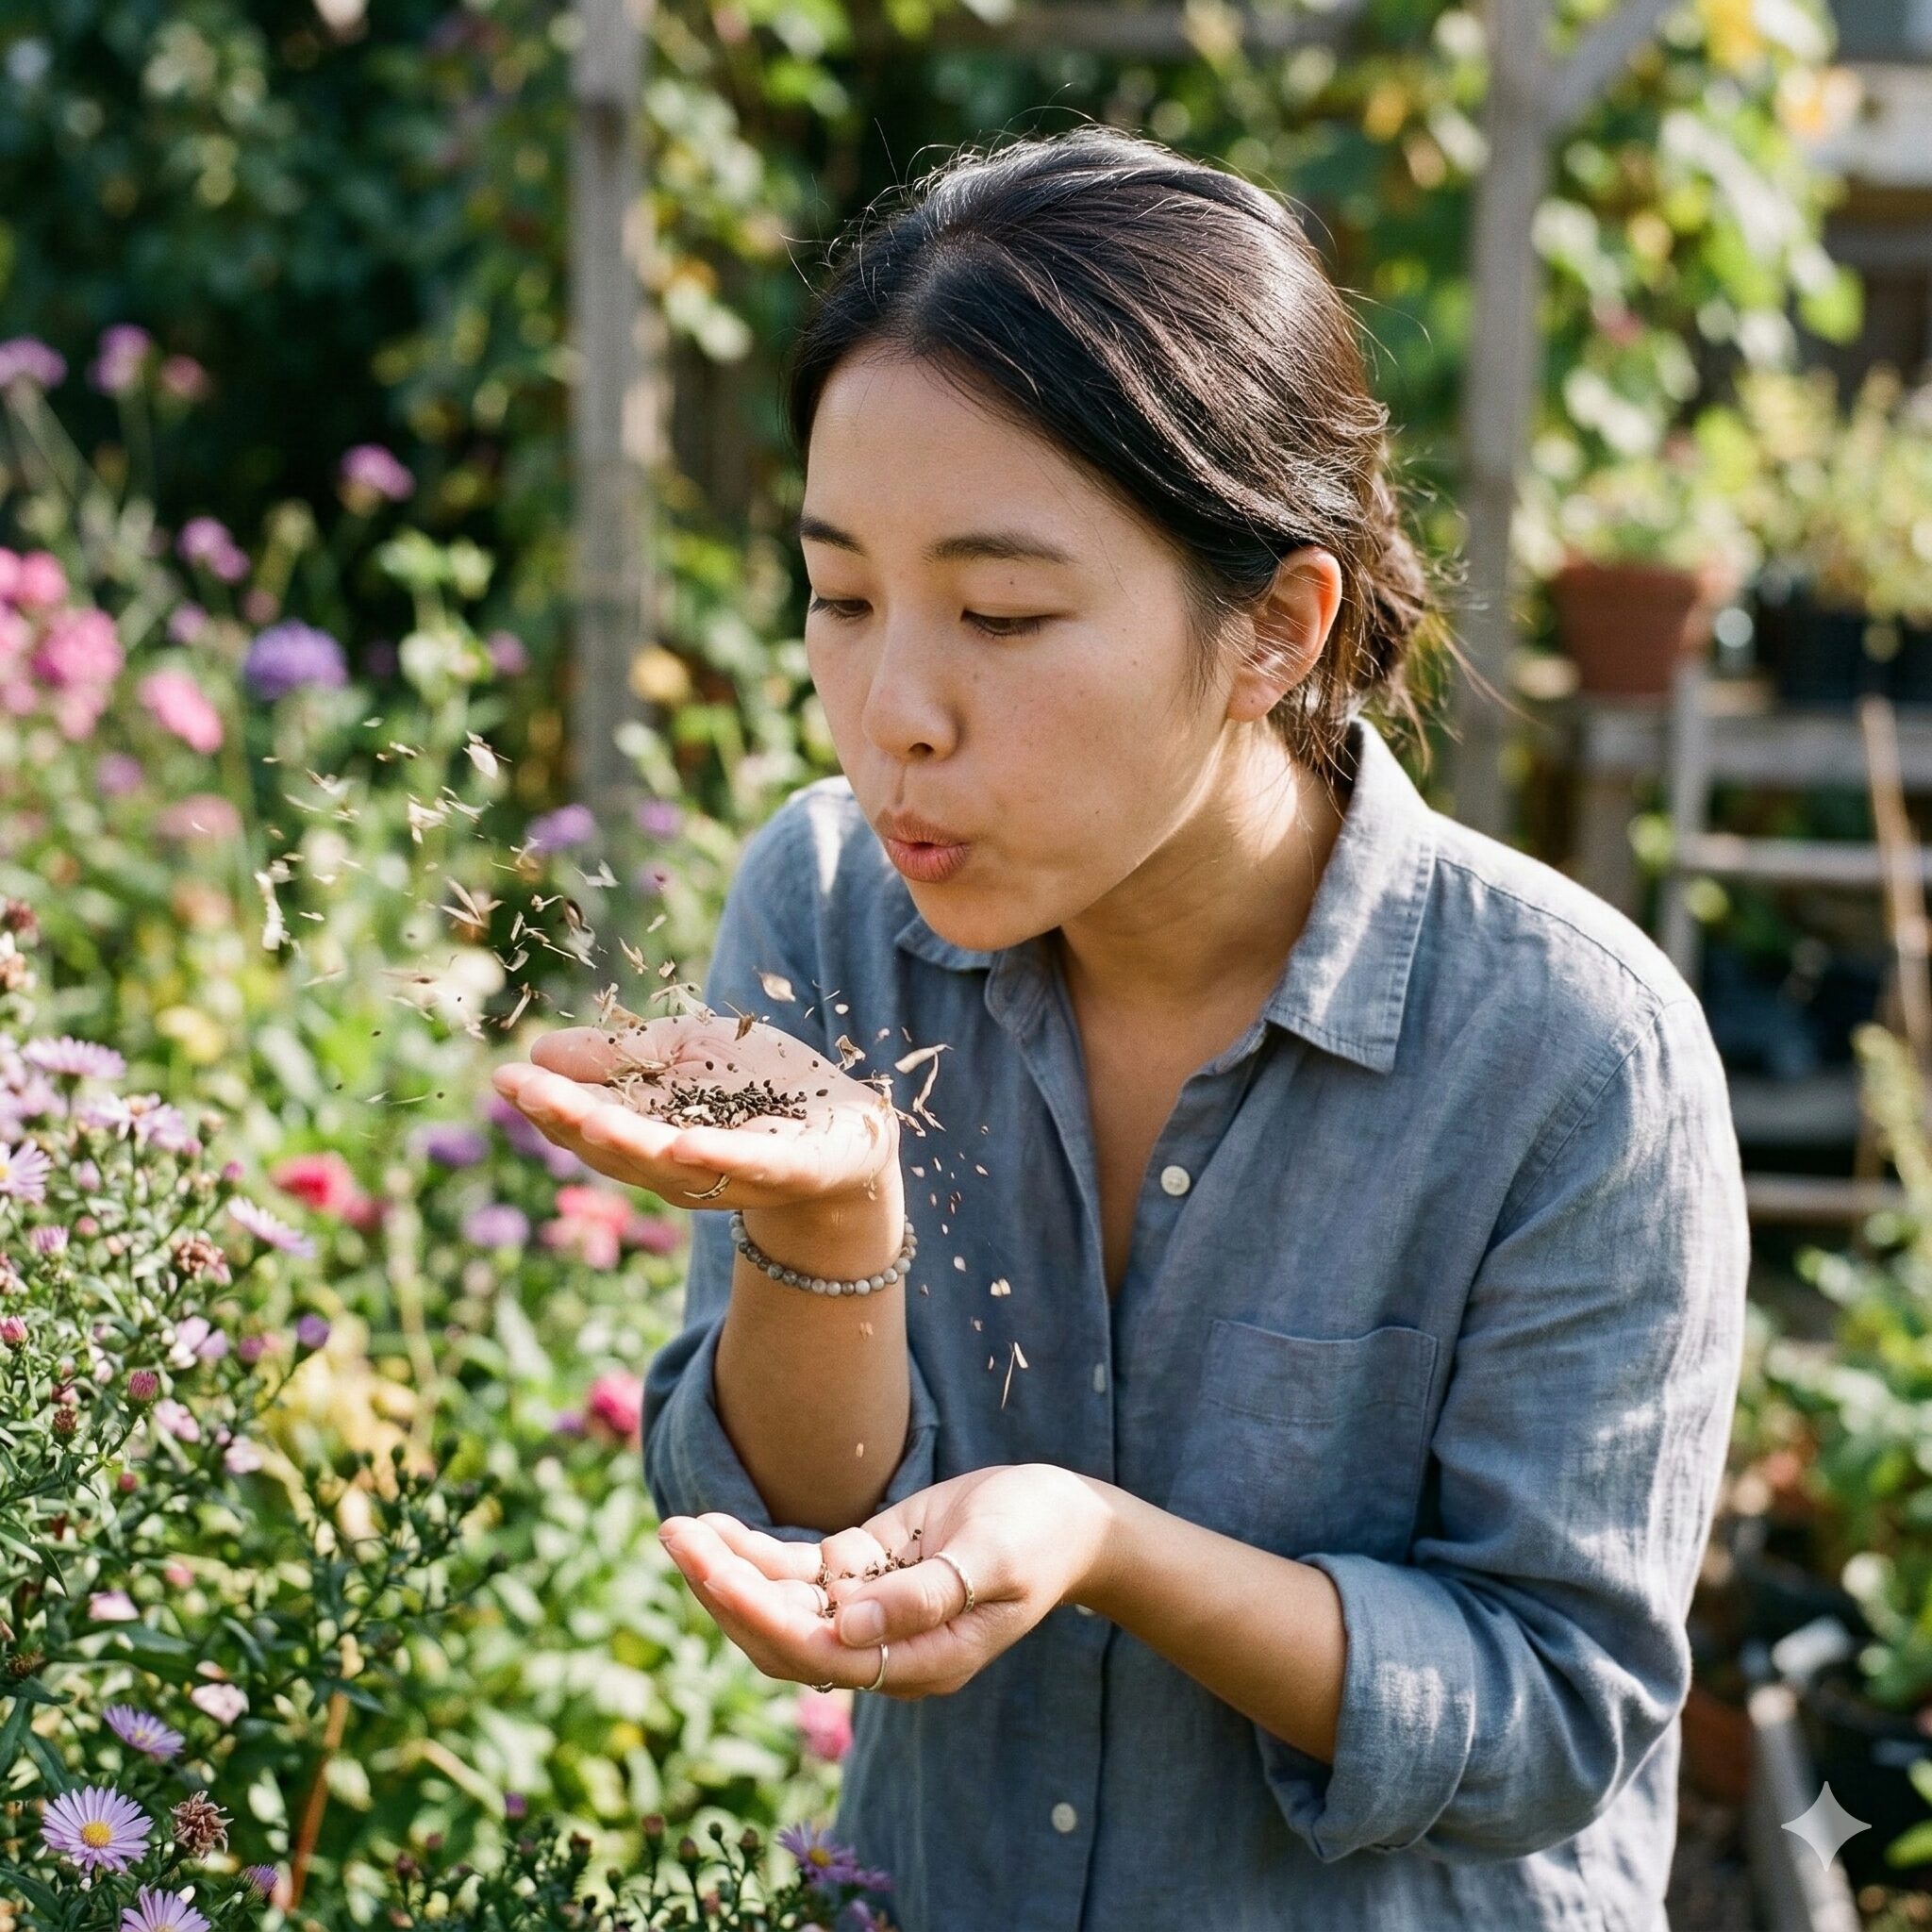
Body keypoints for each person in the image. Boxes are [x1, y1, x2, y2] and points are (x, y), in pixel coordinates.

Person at [491, 124, 1749, 1932]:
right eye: (841, 596)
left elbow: (1556, 1713)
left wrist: (1106, 1546)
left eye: (1002, 612)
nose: (893, 710)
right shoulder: (833, 905)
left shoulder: (1572, 1053)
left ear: (1276, 629)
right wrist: (825, 1221)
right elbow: (788, 1517)